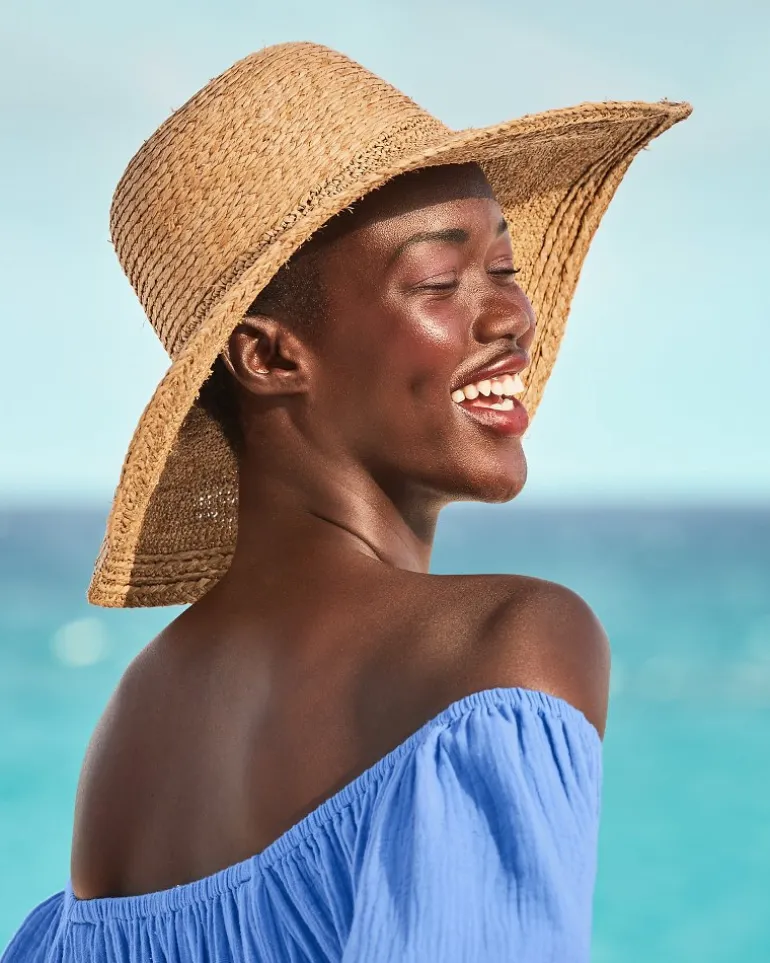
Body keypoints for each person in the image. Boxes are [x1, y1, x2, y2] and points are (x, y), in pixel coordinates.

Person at [1, 41, 690, 963]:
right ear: (271, 357)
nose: (513, 317)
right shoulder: (503, 649)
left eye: (507, 269)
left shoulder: (129, 738)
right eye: (441, 282)